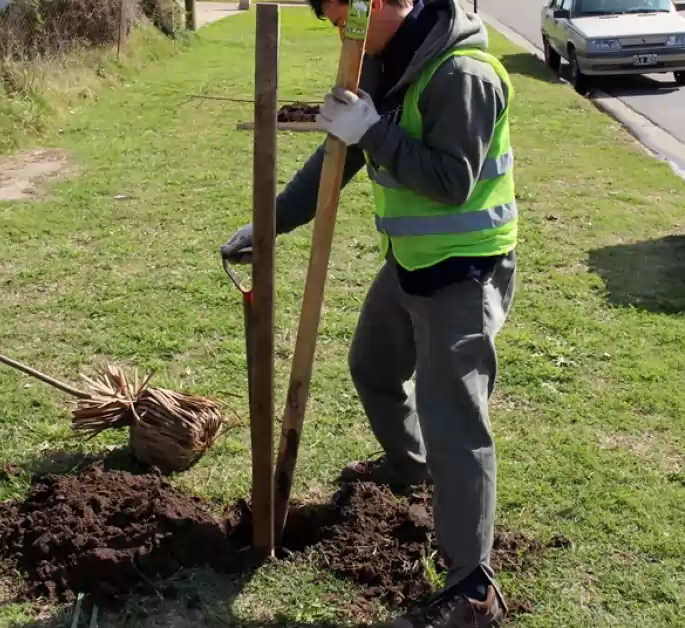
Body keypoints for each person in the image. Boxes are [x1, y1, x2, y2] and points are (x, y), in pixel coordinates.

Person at [220, 0, 517, 625]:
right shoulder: (390, 63)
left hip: (463, 272)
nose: (341, 33)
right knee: (373, 367)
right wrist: (270, 226)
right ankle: (410, 471)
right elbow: (339, 155)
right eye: (334, 22)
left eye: (343, 17)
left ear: (383, 2)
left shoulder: (462, 74)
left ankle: (472, 590)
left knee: (455, 423)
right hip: (411, 261)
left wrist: (374, 130)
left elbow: (453, 180)